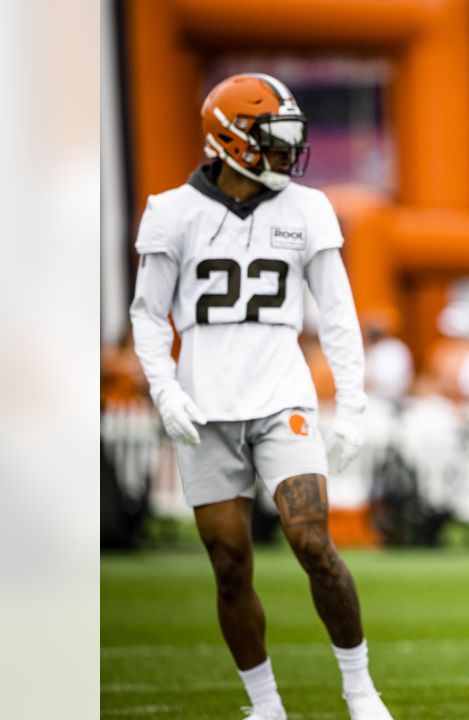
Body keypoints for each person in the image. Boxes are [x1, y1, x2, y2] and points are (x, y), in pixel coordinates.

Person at [129, 73, 393, 720]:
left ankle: (360, 691)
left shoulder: (307, 209)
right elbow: (145, 313)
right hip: (205, 408)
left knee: (312, 541)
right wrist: (164, 389)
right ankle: (265, 704)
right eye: (273, 142)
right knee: (228, 562)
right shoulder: (172, 211)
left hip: (282, 400)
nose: (286, 155)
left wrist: (353, 405)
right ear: (230, 141)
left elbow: (337, 315)